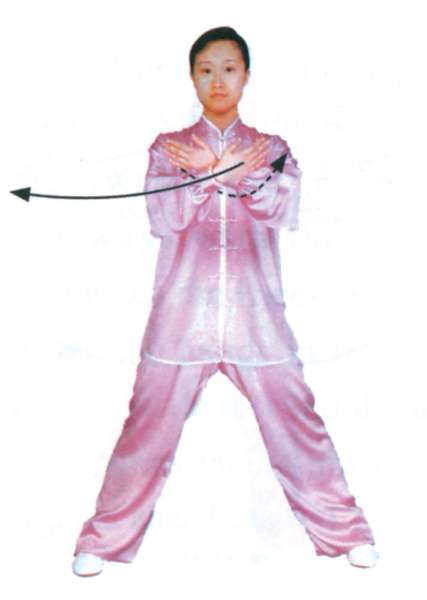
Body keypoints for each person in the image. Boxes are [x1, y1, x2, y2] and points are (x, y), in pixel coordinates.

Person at [72, 26, 379, 577]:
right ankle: (103, 539)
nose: (218, 80)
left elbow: (281, 209)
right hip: (180, 320)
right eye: (206, 69)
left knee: (300, 429)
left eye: (229, 69)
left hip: (256, 320)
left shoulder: (273, 149)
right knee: (144, 433)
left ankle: (346, 532)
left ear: (246, 77)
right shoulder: (167, 148)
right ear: (192, 77)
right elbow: (164, 217)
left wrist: (223, 172)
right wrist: (220, 173)